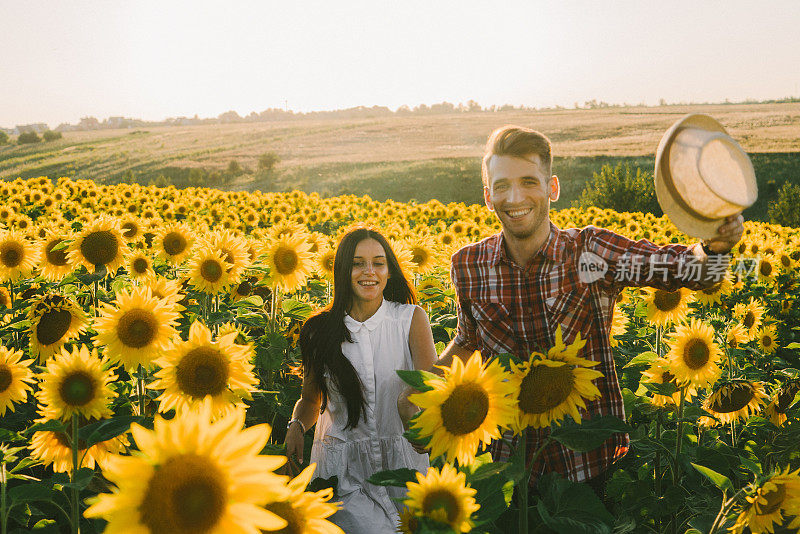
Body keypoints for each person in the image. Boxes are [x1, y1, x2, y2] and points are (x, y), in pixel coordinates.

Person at [431, 125, 745, 494]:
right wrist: (425, 390)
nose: (514, 196)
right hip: (506, 463)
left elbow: (679, 268)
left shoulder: (590, 251)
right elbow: (468, 342)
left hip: (586, 463)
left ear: (552, 188)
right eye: (502, 185)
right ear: (488, 196)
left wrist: (715, 248)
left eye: (529, 181)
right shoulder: (468, 264)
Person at [284, 227, 437, 533]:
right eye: (357, 263)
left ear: (389, 271)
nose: (369, 272)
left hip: (404, 468)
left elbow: (432, 389)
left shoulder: (410, 319)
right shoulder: (319, 330)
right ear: (342, 270)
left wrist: (418, 418)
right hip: (344, 473)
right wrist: (296, 425)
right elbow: (312, 399)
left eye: (378, 263)